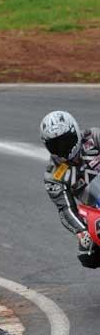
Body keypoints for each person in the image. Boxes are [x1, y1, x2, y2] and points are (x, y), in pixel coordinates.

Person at [41, 110, 100, 268]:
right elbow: (65, 209)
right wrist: (82, 231)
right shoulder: (53, 175)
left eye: (66, 141)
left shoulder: (94, 137)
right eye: (56, 145)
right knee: (88, 255)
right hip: (95, 211)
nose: (63, 148)